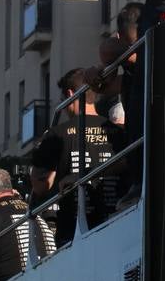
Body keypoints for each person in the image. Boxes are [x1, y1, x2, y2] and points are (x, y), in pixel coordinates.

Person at [30, 69, 123, 244]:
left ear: (70, 94)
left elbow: (40, 186)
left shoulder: (57, 133)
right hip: (117, 219)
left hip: (74, 229)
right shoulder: (118, 132)